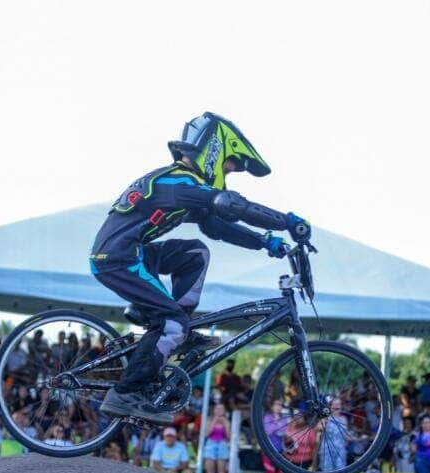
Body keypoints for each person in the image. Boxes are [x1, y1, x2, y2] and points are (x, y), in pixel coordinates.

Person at [95, 112, 310, 423]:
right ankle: (125, 393)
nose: (230, 172)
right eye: (230, 164)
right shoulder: (177, 182)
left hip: (135, 252)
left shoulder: (184, 185)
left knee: (195, 252)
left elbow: (218, 226)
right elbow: (231, 205)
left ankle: (180, 325)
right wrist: (286, 222)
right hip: (118, 258)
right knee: (171, 325)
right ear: (214, 151)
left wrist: (264, 241)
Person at [319, 397, 349, 473]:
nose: (337, 406)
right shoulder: (326, 418)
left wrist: (356, 439)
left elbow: (345, 436)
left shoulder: (344, 419)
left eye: (339, 404)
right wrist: (325, 420)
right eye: (334, 404)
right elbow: (318, 428)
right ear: (330, 406)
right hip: (327, 450)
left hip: (340, 450)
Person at [203, 403, 231, 473]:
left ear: (224, 411)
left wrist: (225, 424)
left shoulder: (226, 421)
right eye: (217, 409)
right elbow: (206, 434)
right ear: (214, 410)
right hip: (211, 444)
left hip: (222, 444)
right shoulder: (209, 420)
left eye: (221, 409)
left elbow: (229, 437)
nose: (219, 411)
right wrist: (214, 421)